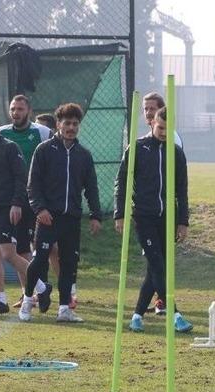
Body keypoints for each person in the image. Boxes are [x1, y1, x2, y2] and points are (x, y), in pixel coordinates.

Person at [19, 103, 101, 322]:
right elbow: (33, 184)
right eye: (67, 123)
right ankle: (28, 300)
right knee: (39, 260)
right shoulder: (44, 150)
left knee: (69, 264)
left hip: (71, 219)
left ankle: (64, 308)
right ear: (58, 124)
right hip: (48, 217)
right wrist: (40, 209)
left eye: (75, 124)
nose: (71, 128)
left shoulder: (83, 155)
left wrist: (95, 215)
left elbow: (91, 187)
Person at [114, 106, 192, 333]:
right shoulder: (137, 148)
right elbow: (121, 183)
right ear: (151, 123)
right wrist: (120, 213)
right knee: (158, 264)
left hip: (167, 217)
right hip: (144, 216)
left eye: (168, 129)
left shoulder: (176, 153)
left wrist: (183, 221)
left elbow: (182, 189)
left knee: (155, 269)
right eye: (160, 127)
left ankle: (137, 316)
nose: (164, 133)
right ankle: (175, 314)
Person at [0, 109, 49, 314]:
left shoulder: (9, 148)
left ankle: (41, 286)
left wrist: (16, 204)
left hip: (5, 208)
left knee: (8, 254)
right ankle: (1, 301)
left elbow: (21, 178)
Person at [0, 95, 61, 307]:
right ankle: (30, 293)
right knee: (22, 249)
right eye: (13, 109)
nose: (16, 113)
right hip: (15, 199)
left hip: (39, 199)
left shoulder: (41, 133)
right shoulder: (1, 133)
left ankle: (67, 292)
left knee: (51, 247)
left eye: (20, 109)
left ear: (29, 111)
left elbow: (54, 159)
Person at [141, 92, 182, 315]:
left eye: (151, 108)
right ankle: (159, 301)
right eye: (145, 109)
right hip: (147, 211)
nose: (147, 113)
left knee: (157, 260)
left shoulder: (171, 138)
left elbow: (176, 176)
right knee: (154, 260)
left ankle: (163, 302)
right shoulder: (148, 139)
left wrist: (180, 218)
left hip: (164, 210)